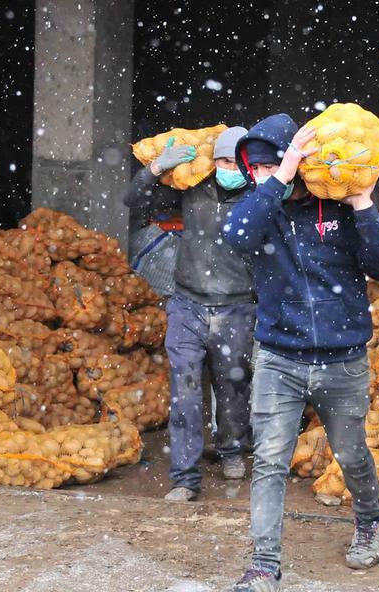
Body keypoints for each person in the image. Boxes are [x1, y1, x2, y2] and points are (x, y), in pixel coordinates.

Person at [222, 114, 379, 591]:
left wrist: (363, 202)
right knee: (269, 460)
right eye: (253, 170)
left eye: (269, 166)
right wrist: (275, 181)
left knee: (350, 453)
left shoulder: (341, 210)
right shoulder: (260, 211)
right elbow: (237, 237)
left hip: (342, 361)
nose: (258, 177)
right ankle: (264, 564)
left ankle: (368, 522)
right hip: (279, 360)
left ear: (304, 166)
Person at [123, 126, 256, 502]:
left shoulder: (257, 197)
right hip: (187, 304)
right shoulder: (195, 187)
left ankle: (232, 448)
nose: (227, 167)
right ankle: (184, 477)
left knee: (233, 384)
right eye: (222, 160)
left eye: (235, 161)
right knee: (185, 391)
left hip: (237, 306)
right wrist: (154, 170)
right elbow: (132, 200)